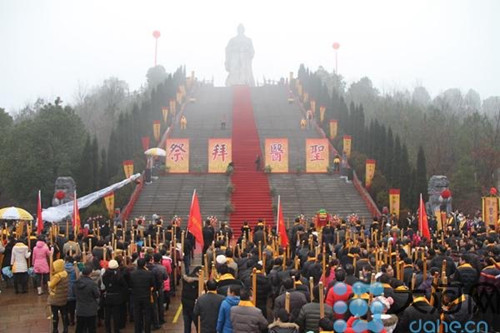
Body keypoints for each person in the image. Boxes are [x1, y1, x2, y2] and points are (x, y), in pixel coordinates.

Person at [129, 258, 155, 333]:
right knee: (147, 314)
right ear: (145, 264)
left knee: (137, 315)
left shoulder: (132, 274)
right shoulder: (149, 273)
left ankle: (137, 330)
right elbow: (153, 284)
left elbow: (130, 284)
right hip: (146, 296)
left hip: (136, 296)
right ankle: (147, 330)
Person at [102, 259, 128, 333]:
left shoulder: (105, 275)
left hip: (108, 297)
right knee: (116, 316)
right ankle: (116, 330)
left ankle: (108, 330)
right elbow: (124, 286)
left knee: (107, 316)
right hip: (117, 297)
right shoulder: (118, 275)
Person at [74, 264, 99, 333]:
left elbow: (75, 293)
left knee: (80, 327)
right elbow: (97, 294)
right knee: (91, 328)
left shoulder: (77, 283)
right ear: (90, 273)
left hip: (80, 309)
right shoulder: (92, 283)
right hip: (90, 310)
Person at [48, 259, 69, 333]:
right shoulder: (65, 273)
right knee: (64, 313)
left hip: (56, 298)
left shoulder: (57, 276)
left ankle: (55, 329)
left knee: (55, 314)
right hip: (63, 297)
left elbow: (51, 285)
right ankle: (66, 328)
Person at [181, 266, 201, 333]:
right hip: (193, 305)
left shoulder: (185, 279)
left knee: (187, 325)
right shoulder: (198, 281)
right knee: (198, 325)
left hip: (185, 305)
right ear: (198, 272)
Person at [64, 255, 79, 326]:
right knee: (72, 306)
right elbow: (78, 278)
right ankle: (72, 320)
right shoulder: (75, 268)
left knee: (65, 307)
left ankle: (66, 320)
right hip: (73, 288)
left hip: (65, 288)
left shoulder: (62, 268)